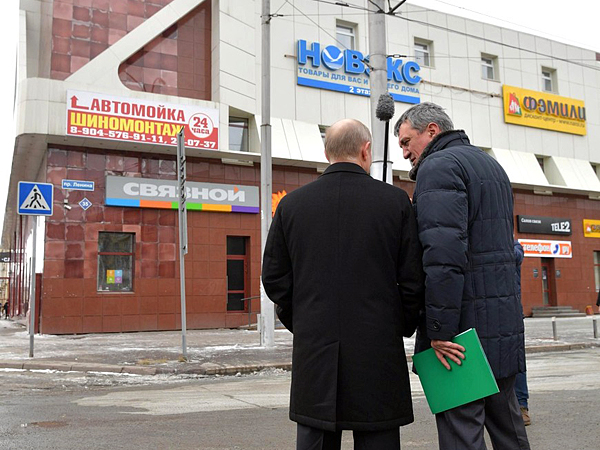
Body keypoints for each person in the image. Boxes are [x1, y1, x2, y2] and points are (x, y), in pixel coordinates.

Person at [262, 118, 425, 450]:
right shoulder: (395, 202)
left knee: (316, 435)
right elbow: (413, 280)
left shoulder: (291, 205)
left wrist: (303, 319)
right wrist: (397, 324)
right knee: (378, 436)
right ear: (366, 150)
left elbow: (275, 277)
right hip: (378, 350)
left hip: (315, 351)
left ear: (327, 153)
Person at [395, 102, 530, 450]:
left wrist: (440, 330)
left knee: (461, 433)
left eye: (406, 141)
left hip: (460, 336)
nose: (404, 152)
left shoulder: (438, 167)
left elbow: (443, 258)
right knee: (509, 429)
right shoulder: (490, 165)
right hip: (501, 327)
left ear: (432, 130)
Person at [513, 240, 531, 426]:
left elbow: (516, 256)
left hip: (511, 313)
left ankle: (521, 405)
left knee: (516, 361)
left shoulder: (514, 246)